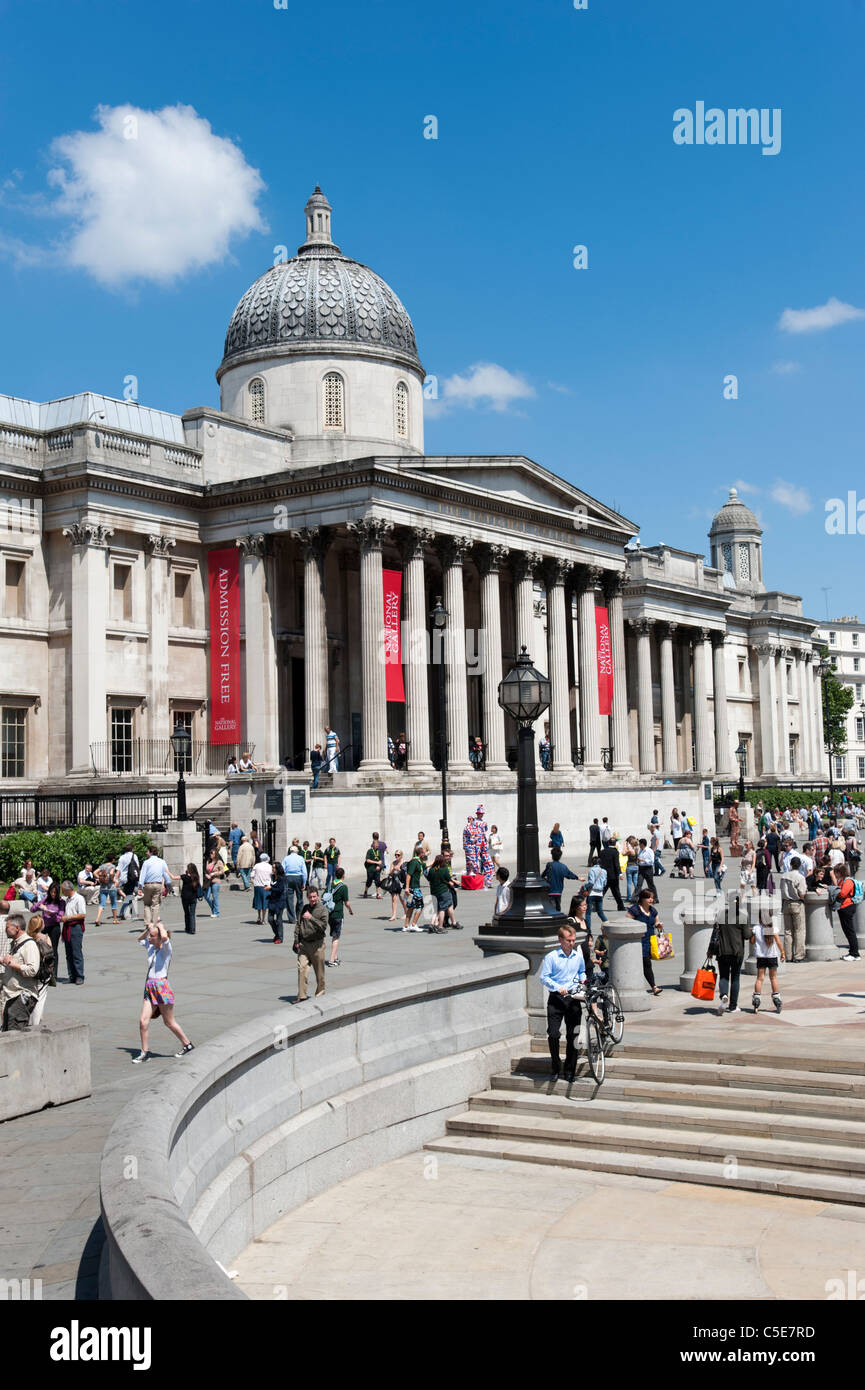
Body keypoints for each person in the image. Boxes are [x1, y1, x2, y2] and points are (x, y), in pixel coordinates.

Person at [132, 922, 195, 1063]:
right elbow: (139, 939)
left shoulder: (166, 949)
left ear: (159, 938)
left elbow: (165, 937)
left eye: (152, 936)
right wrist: (148, 929)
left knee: (169, 1022)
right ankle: (144, 1052)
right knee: (143, 1021)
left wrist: (160, 926)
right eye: (149, 936)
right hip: (150, 987)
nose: (149, 938)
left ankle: (187, 1044)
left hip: (162, 988)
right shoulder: (150, 946)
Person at [539, 923, 586, 1082]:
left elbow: (581, 971)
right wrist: (558, 987)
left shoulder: (577, 956)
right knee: (553, 1034)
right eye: (568, 940)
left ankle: (570, 1069)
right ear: (560, 940)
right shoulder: (551, 957)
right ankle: (555, 1065)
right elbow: (544, 977)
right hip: (556, 999)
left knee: (574, 1034)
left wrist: (582, 980)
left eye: (573, 940)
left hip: (573, 998)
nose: (571, 943)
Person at [0, 913, 42, 1030]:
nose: (5, 930)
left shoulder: (29, 944)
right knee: (7, 1030)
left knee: (15, 1032)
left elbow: (32, 970)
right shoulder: (15, 943)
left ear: (17, 928)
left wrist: (11, 963)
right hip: (12, 995)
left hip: (22, 994)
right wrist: (4, 961)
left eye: (7, 927)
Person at [294, 887, 329, 1000]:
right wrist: (296, 940)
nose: (312, 899)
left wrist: (311, 918)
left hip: (317, 945)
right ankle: (302, 996)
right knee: (301, 969)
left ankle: (320, 994)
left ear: (317, 896)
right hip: (304, 945)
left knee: (319, 973)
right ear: (307, 897)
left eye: (314, 897)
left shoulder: (322, 909)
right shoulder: (305, 908)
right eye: (310, 897)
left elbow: (323, 926)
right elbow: (298, 924)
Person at [715, 902, 749, 1016]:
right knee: (735, 978)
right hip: (737, 952)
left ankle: (724, 995)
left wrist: (710, 950)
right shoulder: (742, 917)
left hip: (723, 951)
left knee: (724, 976)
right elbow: (747, 935)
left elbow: (715, 932)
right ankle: (733, 1006)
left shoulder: (721, 915)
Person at [628, 889, 663, 997]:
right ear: (642, 899)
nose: (651, 900)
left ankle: (647, 986)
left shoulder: (653, 911)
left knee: (645, 964)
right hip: (638, 941)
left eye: (652, 897)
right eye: (648, 897)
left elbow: (656, 922)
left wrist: (659, 926)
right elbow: (626, 923)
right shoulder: (635, 910)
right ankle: (654, 987)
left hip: (649, 940)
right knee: (646, 963)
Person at [751, 907, 784, 1012]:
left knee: (760, 978)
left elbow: (752, 941)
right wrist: (782, 953)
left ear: (760, 918)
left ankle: (756, 1000)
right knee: (773, 978)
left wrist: (753, 934)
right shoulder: (772, 928)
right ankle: (777, 999)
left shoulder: (756, 928)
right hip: (772, 956)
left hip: (761, 957)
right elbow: (778, 942)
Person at [25, 914, 54, 1026]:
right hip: (43, 973)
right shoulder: (46, 938)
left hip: (30, 972)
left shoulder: (27, 939)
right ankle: (36, 1023)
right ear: (41, 926)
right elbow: (51, 955)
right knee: (40, 998)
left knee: (30, 996)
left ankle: (28, 1019)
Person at [139, 846, 176, 925]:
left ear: (151, 852)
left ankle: (147, 924)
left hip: (148, 884)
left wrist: (140, 887)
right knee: (155, 905)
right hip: (158, 884)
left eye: (147, 851)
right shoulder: (162, 862)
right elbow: (166, 874)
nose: (146, 853)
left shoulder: (146, 862)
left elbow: (142, 875)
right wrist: (169, 885)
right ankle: (154, 924)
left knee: (147, 904)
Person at [779, 856, 807, 964]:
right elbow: (802, 893)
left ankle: (788, 955)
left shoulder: (784, 876)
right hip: (797, 903)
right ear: (799, 865)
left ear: (791, 864)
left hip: (786, 903)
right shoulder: (800, 877)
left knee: (788, 931)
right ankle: (798, 955)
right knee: (799, 930)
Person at [830, 867, 861, 961]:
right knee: (848, 931)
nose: (835, 875)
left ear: (840, 872)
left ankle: (854, 954)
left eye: (836, 872)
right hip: (845, 907)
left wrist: (835, 892)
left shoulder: (848, 881)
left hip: (847, 907)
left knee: (849, 931)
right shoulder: (844, 880)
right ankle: (853, 952)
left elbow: (843, 893)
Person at [60, 879, 87, 985]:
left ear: (68, 889)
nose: (62, 892)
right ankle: (72, 975)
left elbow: (82, 914)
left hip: (75, 927)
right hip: (67, 927)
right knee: (69, 953)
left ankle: (79, 975)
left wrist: (68, 918)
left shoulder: (79, 899)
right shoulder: (67, 900)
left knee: (76, 952)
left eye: (63, 890)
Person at [541, 847, 582, 912]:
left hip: (550, 891)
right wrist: (578, 878)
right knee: (558, 908)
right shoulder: (563, 866)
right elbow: (569, 874)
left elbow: (543, 875)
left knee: (551, 908)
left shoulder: (549, 865)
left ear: (552, 856)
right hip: (559, 892)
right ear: (560, 856)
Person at [463, 806, 495, 887]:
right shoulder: (474, 822)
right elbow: (471, 831)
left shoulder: (484, 822)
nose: (481, 815)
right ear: (477, 814)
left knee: (488, 861)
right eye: (479, 813)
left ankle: (488, 880)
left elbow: (485, 830)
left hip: (483, 842)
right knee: (474, 860)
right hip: (476, 842)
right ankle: (475, 879)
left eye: (482, 813)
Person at [327, 867, 353, 965]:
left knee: (334, 935)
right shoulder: (343, 887)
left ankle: (335, 957)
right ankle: (331, 960)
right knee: (336, 937)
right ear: (343, 876)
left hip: (330, 914)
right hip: (338, 914)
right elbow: (347, 903)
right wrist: (350, 910)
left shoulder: (330, 885)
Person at [40, 882, 65, 985]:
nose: (53, 894)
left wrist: (50, 914)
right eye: (51, 892)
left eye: (55, 892)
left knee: (53, 950)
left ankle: (54, 974)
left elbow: (60, 917)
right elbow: (33, 909)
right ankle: (43, 972)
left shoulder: (61, 902)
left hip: (54, 928)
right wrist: (40, 906)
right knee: (42, 949)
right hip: (45, 927)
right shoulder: (46, 899)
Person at [425, 854, 454, 933]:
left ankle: (432, 924)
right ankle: (440, 927)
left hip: (434, 891)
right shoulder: (444, 869)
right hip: (443, 891)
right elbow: (448, 878)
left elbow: (429, 878)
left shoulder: (431, 870)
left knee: (436, 909)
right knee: (442, 909)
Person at [281, 844, 308, 923]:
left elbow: (282, 870)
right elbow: (304, 872)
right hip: (298, 878)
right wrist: (304, 882)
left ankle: (292, 918)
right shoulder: (300, 858)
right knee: (299, 898)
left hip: (288, 877)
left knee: (289, 898)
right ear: (297, 851)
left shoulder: (286, 858)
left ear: (290, 851)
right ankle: (299, 916)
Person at [598, 834, 625, 911]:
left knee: (602, 891)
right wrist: (620, 873)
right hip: (613, 876)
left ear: (608, 843)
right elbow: (616, 864)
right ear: (615, 843)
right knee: (616, 892)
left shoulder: (602, 852)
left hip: (604, 875)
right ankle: (621, 907)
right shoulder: (615, 852)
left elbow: (600, 863)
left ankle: (596, 905)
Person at [402, 850, 426, 931]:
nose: (425, 854)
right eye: (424, 853)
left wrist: (437, 860)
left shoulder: (419, 862)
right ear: (421, 853)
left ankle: (406, 926)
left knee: (411, 907)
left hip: (414, 888)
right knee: (420, 906)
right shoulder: (414, 862)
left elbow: (427, 864)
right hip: (413, 888)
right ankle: (413, 924)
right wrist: (407, 887)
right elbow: (409, 875)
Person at [117, 844, 141, 920]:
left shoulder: (122, 857)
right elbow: (137, 866)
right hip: (132, 877)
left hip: (123, 878)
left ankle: (129, 912)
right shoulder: (134, 856)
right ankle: (125, 912)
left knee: (129, 895)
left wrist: (116, 879)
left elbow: (119, 869)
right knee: (129, 895)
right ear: (132, 849)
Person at [94, 856, 120, 925]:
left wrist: (100, 878)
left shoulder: (102, 866)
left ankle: (97, 919)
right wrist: (112, 879)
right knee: (113, 903)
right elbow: (111, 873)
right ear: (113, 859)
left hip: (103, 887)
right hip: (111, 887)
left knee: (102, 903)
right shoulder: (112, 866)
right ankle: (115, 919)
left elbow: (94, 872)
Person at [383, 851, 406, 922]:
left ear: (401, 855)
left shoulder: (404, 863)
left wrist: (400, 869)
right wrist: (393, 869)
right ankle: (394, 915)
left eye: (398, 855)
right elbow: (390, 874)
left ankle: (406, 913)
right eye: (395, 855)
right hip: (394, 883)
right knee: (394, 899)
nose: (396, 856)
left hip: (401, 883)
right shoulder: (393, 863)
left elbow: (406, 873)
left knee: (402, 899)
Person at [267, 863, 287, 943]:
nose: (272, 869)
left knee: (279, 920)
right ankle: (277, 934)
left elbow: (280, 889)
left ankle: (280, 938)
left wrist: (270, 888)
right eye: (272, 867)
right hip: (272, 900)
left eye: (274, 868)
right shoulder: (272, 876)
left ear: (278, 869)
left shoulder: (281, 878)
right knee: (270, 919)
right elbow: (273, 887)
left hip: (280, 901)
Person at [584, 862, 608, 931]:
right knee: (600, 912)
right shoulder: (604, 871)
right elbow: (605, 883)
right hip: (600, 894)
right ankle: (608, 925)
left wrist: (585, 886)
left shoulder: (592, 870)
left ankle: (589, 930)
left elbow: (591, 882)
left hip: (592, 893)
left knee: (588, 913)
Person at [204, 846, 226, 918]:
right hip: (208, 881)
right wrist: (206, 875)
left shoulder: (219, 862)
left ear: (215, 854)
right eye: (210, 853)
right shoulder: (208, 861)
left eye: (212, 853)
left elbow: (222, 871)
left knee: (215, 897)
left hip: (216, 881)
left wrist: (214, 873)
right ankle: (214, 908)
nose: (210, 854)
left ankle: (216, 912)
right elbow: (206, 871)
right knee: (206, 896)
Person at [251, 853, 273, 925]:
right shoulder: (270, 866)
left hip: (257, 885)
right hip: (266, 886)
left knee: (258, 902)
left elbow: (252, 875)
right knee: (265, 903)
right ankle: (263, 919)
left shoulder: (257, 866)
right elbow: (272, 875)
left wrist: (254, 881)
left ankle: (259, 917)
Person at [180, 863, 200, 935]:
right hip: (193, 898)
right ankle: (192, 929)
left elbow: (173, 877)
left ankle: (187, 928)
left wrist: (167, 872)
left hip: (185, 897)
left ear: (189, 870)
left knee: (186, 913)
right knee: (192, 914)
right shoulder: (196, 877)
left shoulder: (185, 877)